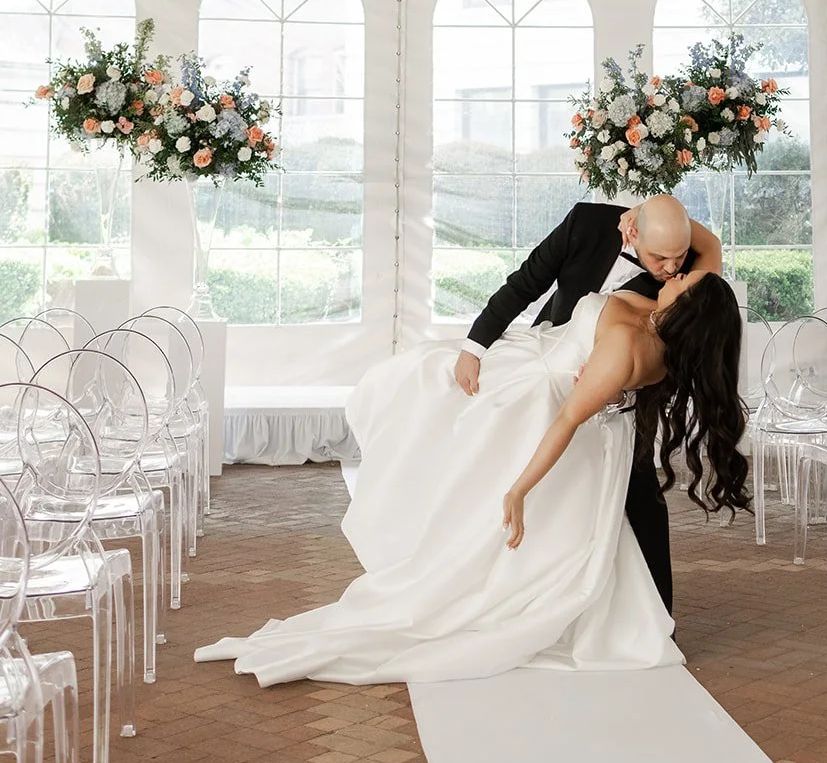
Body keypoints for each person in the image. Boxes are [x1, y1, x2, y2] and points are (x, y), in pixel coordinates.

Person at [194, 252, 747, 688]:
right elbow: (700, 261)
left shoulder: (629, 345)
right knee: (422, 395)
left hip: (534, 403)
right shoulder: (665, 337)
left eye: (683, 283)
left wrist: (520, 490)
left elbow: (568, 419)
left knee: (423, 405)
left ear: (687, 310)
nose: (675, 277)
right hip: (536, 371)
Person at [455, 195, 723, 614]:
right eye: (660, 257)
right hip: (550, 357)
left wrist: (622, 381)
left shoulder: (684, 288)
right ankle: (504, 579)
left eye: (679, 258)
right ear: (635, 232)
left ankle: (657, 613)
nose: (673, 269)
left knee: (639, 489)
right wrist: (474, 347)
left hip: (628, 395)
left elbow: (709, 254)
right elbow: (526, 283)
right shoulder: (587, 223)